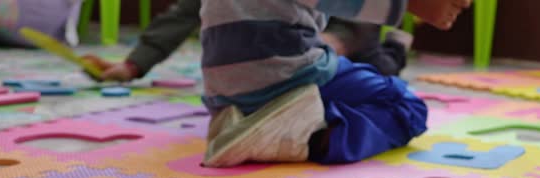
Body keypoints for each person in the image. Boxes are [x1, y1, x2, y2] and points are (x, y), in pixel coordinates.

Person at [199, 0, 470, 167]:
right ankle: (316, 140)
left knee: (356, 69)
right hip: (289, 74)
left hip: (224, 94)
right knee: (407, 107)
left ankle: (267, 118)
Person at [81, 0, 414, 81]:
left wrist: (330, 44)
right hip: (287, 52)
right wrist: (133, 63)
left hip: (341, 35)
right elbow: (185, 12)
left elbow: (361, 20)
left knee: (378, 71)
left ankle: (398, 47)